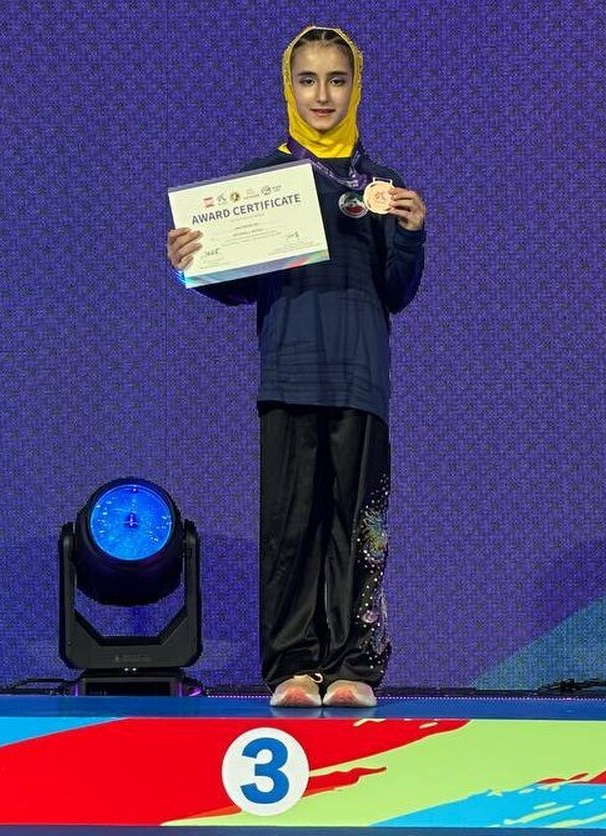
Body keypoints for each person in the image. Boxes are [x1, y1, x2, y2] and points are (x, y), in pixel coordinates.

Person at [166, 25, 426, 708]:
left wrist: (410, 234)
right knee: (290, 528)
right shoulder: (261, 183)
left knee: (359, 527)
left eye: (337, 80)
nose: (322, 95)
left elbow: (396, 290)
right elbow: (234, 285)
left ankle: (353, 667)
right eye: (308, 80)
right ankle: (293, 666)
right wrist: (192, 263)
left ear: (355, 87)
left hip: (360, 378)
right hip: (288, 377)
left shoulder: (383, 185)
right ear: (290, 87)